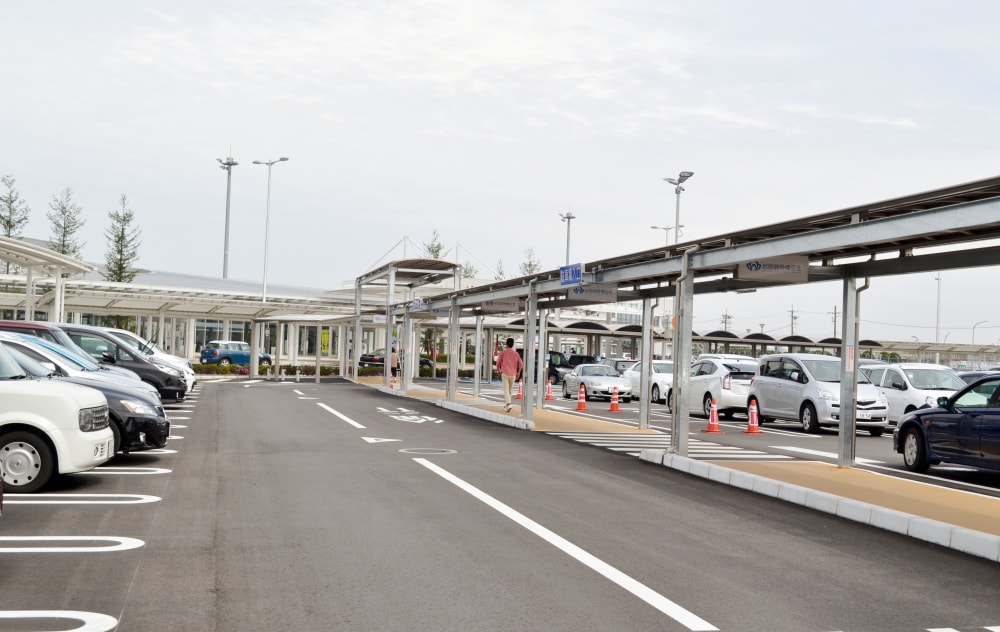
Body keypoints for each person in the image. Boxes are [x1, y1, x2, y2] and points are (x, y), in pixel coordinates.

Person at [496, 337, 523, 412]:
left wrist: (498, 370)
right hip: (513, 374)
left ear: (506, 344)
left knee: (506, 390)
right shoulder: (516, 353)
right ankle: (507, 406)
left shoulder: (503, 352)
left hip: (505, 373)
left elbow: (498, 363)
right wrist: (518, 372)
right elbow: (521, 364)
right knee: (510, 390)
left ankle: (508, 403)